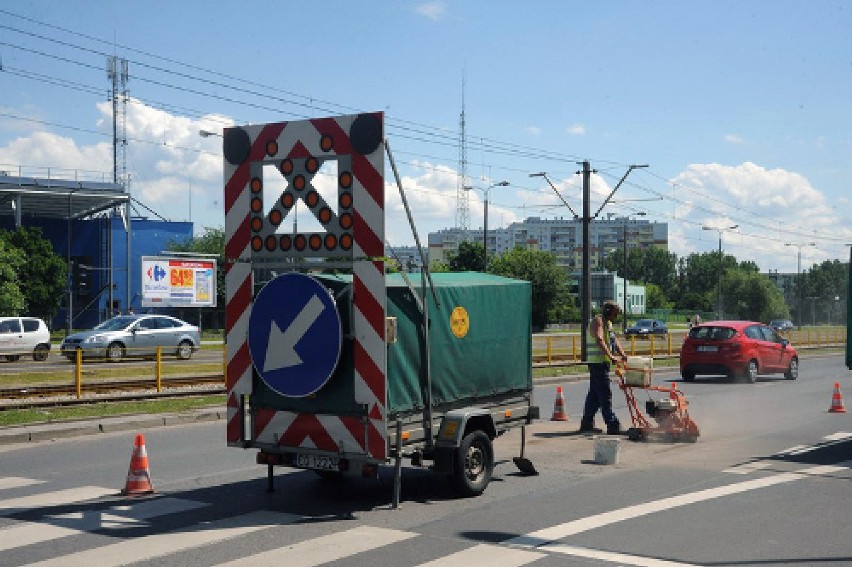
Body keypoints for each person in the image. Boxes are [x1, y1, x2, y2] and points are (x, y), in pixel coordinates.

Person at [579, 300, 628, 435]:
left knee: (594, 395)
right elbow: (600, 340)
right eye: (614, 313)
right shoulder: (598, 322)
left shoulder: (608, 324)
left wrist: (623, 354)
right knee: (605, 394)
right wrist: (611, 356)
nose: (616, 316)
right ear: (607, 311)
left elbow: (613, 340)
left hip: (602, 364)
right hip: (597, 363)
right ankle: (613, 425)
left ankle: (586, 423)